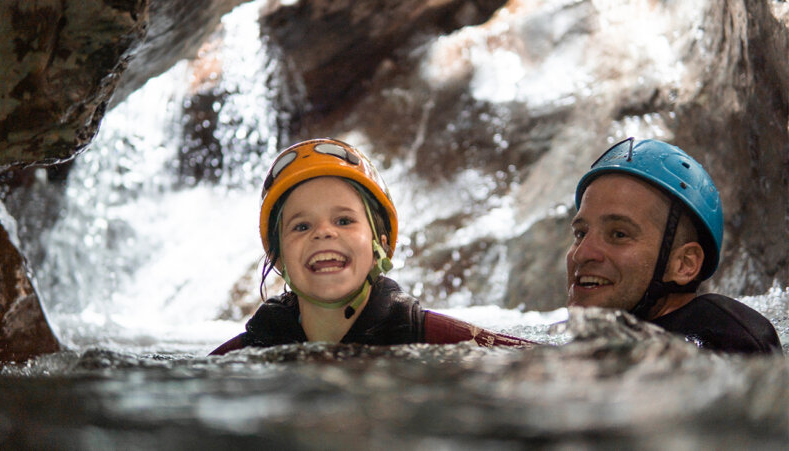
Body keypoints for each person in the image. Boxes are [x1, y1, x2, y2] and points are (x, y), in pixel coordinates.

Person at [211, 138, 533, 355]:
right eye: (302, 226)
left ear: (380, 245)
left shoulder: (440, 339)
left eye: (343, 221)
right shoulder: (247, 352)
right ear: (278, 259)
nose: (323, 233)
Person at [566, 137, 781, 354]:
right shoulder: (611, 346)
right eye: (580, 233)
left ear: (684, 264)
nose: (582, 253)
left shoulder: (723, 339)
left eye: (619, 234)